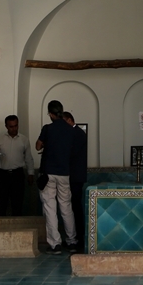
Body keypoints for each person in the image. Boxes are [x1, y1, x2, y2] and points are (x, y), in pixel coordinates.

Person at [36, 100, 78, 254]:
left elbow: (38, 146)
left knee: (50, 207)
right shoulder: (70, 130)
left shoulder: (48, 129)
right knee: (66, 207)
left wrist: (48, 144)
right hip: (64, 173)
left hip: (48, 174)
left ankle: (55, 244)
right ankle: (72, 241)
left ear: (51, 114)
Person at [0, 115, 35, 216]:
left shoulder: (24, 140)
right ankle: (0, 229)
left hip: (17, 174)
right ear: (6, 126)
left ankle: (18, 229)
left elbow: (29, 157)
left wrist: (31, 173)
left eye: (16, 126)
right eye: (11, 126)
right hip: (3, 174)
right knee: (1, 203)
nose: (14, 129)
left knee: (18, 203)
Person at [63, 111, 88, 251]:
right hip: (73, 175)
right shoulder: (76, 133)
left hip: (75, 176)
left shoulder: (77, 134)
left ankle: (78, 237)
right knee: (72, 207)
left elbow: (72, 153)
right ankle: (73, 236)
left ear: (70, 120)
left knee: (75, 207)